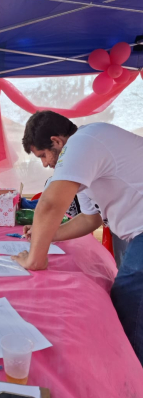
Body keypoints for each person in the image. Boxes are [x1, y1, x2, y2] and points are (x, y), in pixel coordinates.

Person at [12, 110, 143, 364]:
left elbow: (50, 204)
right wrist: (45, 236)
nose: (45, 164)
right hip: (135, 234)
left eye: (43, 155)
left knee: (130, 312)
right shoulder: (87, 163)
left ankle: (134, 389)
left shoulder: (84, 141)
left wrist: (34, 259)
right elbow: (88, 219)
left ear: (57, 141)